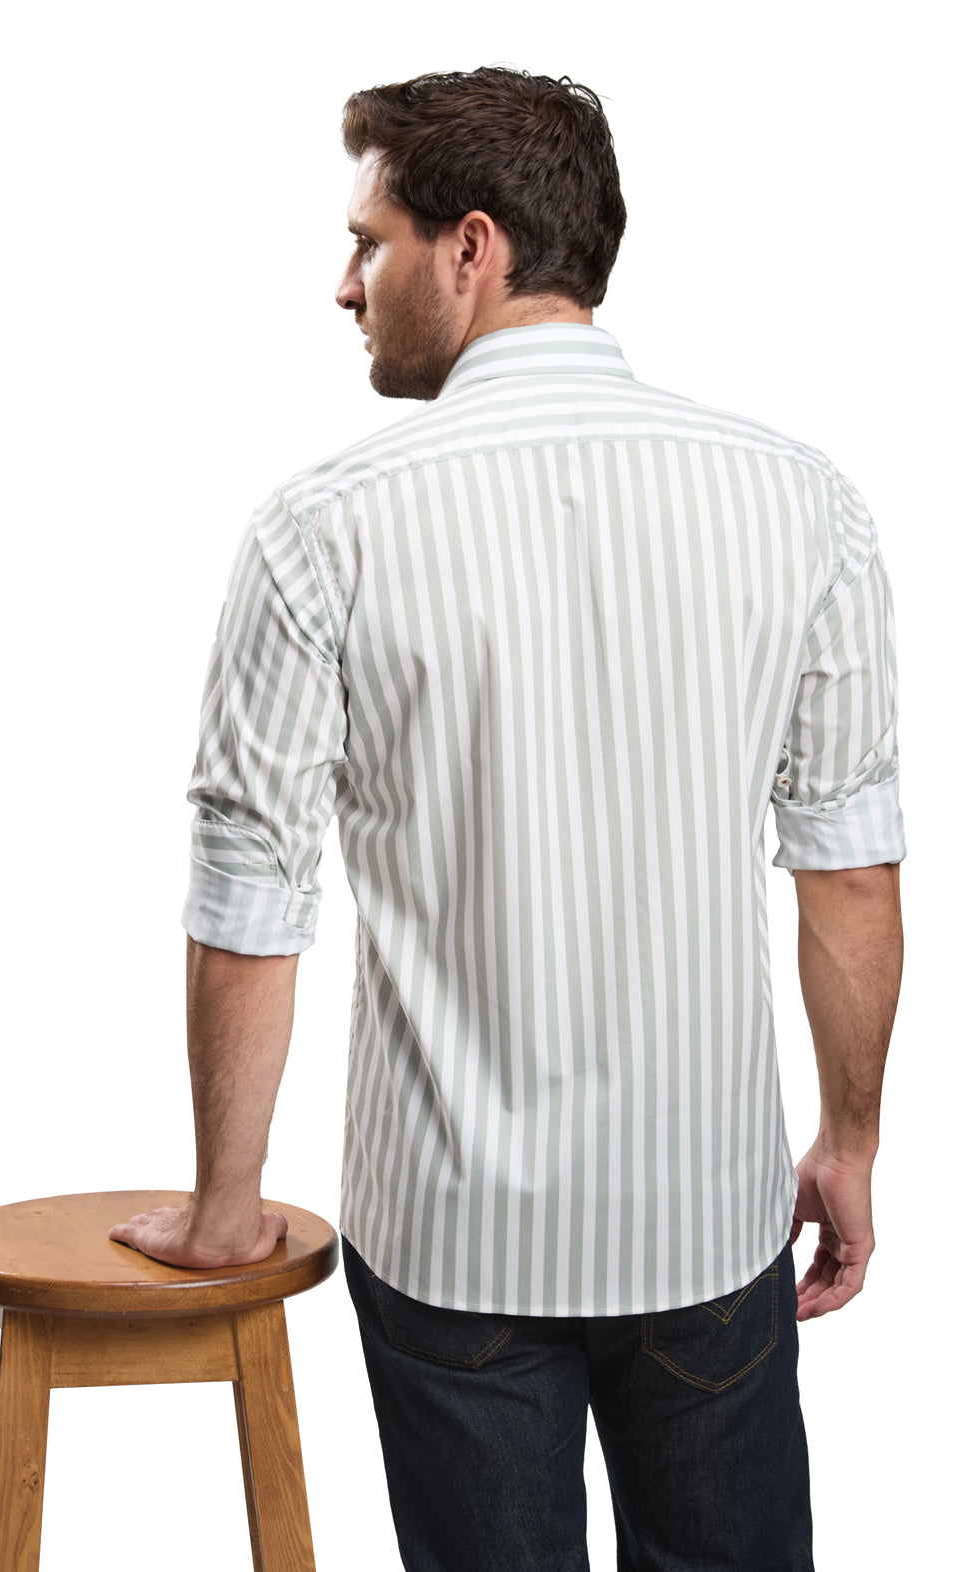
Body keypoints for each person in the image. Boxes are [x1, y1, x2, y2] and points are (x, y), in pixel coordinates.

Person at [110, 68, 905, 1571]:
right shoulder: (801, 504)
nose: (344, 284)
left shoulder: (320, 530)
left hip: (451, 1243)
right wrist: (849, 1140)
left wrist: (225, 1208)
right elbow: (848, 870)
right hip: (704, 1224)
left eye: (371, 241)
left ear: (471, 246)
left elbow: (251, 894)